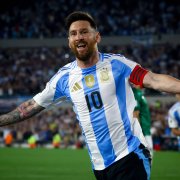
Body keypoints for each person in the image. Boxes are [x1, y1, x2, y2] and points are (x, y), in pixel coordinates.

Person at [0, 11, 180, 180]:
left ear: (97, 37)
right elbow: (30, 107)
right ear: (69, 40)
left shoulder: (117, 64)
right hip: (100, 166)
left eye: (84, 32)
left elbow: (154, 80)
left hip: (130, 154)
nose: (79, 36)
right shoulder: (63, 78)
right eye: (74, 33)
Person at [133, 86, 153, 157]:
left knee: (149, 153)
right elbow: (136, 113)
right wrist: (138, 132)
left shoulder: (139, 93)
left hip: (146, 129)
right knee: (147, 153)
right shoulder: (135, 93)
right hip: (143, 130)